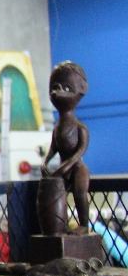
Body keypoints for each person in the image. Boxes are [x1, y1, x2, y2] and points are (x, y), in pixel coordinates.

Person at [41, 60, 91, 232]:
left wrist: (64, 167)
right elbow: (52, 150)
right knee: (56, 196)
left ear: (81, 90)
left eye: (67, 88)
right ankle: (60, 225)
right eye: (54, 87)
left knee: (79, 193)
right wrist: (45, 162)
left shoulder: (80, 128)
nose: (58, 92)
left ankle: (84, 225)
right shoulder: (57, 129)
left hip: (76, 169)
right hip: (62, 171)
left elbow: (78, 153)